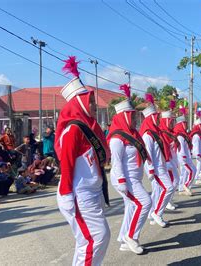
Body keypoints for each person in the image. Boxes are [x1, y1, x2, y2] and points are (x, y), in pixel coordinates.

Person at [54, 56, 110, 265]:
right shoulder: (73, 130)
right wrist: (67, 194)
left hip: (91, 193)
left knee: (88, 241)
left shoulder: (90, 127)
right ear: (80, 103)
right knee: (97, 238)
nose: (95, 105)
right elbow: (66, 165)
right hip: (78, 194)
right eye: (91, 101)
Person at [108, 85, 151, 254]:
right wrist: (121, 182)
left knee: (132, 207)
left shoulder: (133, 134)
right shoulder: (117, 138)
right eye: (132, 116)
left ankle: (124, 239)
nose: (135, 119)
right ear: (124, 116)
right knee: (145, 203)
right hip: (125, 178)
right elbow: (116, 163)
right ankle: (131, 236)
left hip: (134, 177)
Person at [140, 93, 174, 227]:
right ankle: (157, 213)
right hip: (156, 169)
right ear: (150, 118)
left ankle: (155, 213)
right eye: (155, 116)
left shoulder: (155, 132)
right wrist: (151, 171)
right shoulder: (147, 135)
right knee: (168, 188)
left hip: (161, 166)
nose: (158, 118)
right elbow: (147, 154)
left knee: (163, 190)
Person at [159, 99, 180, 211]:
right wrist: (167, 161)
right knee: (172, 182)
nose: (172, 123)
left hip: (172, 160)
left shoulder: (171, 133)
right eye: (170, 121)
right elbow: (164, 149)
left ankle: (169, 200)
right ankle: (166, 202)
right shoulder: (162, 133)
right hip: (166, 162)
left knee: (176, 181)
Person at [174, 107, 196, 196]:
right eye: (185, 123)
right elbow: (181, 149)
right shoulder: (180, 136)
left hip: (187, 157)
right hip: (183, 158)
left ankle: (181, 189)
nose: (186, 125)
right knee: (192, 171)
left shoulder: (184, 134)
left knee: (184, 173)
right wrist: (183, 159)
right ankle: (185, 186)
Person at [190, 110, 201, 185]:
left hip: (200, 152)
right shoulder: (196, 135)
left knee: (199, 165)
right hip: (197, 153)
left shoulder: (199, 134)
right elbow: (195, 146)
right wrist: (198, 155)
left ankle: (197, 178)